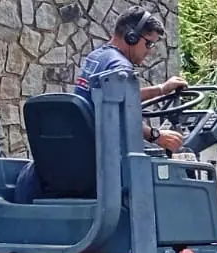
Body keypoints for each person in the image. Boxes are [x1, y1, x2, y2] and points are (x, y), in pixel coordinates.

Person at [76, 9, 186, 153]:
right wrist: (156, 135)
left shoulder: (96, 56)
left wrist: (161, 89)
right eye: (149, 44)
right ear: (132, 37)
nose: (150, 51)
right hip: (104, 153)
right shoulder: (120, 67)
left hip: (83, 144)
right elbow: (122, 116)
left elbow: (118, 97)